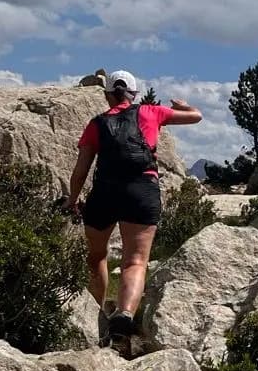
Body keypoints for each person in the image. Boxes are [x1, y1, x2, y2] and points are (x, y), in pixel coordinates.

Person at [66, 70, 202, 349]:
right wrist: (182, 107)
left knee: (96, 257)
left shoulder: (96, 123)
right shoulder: (152, 112)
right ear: (134, 94)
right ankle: (124, 316)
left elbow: (81, 171)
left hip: (104, 192)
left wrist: (72, 200)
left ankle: (96, 315)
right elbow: (196, 116)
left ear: (107, 95)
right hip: (142, 191)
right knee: (135, 261)